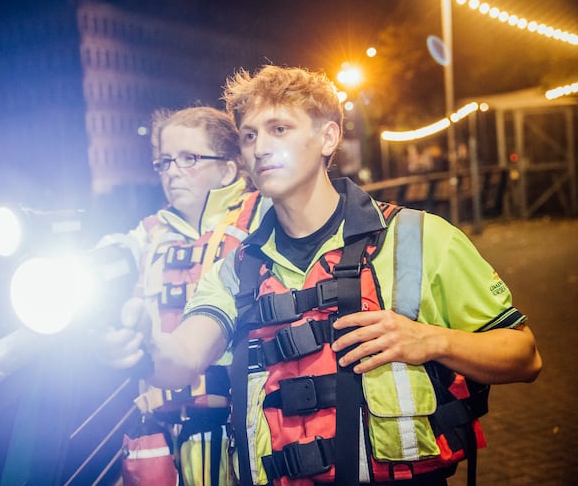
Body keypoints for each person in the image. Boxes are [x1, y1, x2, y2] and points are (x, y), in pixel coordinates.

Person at [103, 66, 542, 486]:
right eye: (250, 135)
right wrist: (142, 347)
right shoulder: (237, 269)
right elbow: (182, 360)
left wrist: (432, 340)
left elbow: (524, 356)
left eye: (280, 129)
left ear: (328, 136)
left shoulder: (418, 238)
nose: (259, 147)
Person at [97, 106, 269, 486]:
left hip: (241, 428)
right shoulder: (147, 236)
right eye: (164, 162)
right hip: (161, 429)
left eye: (188, 158)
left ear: (228, 168)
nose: (172, 171)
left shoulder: (264, 220)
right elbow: (107, 257)